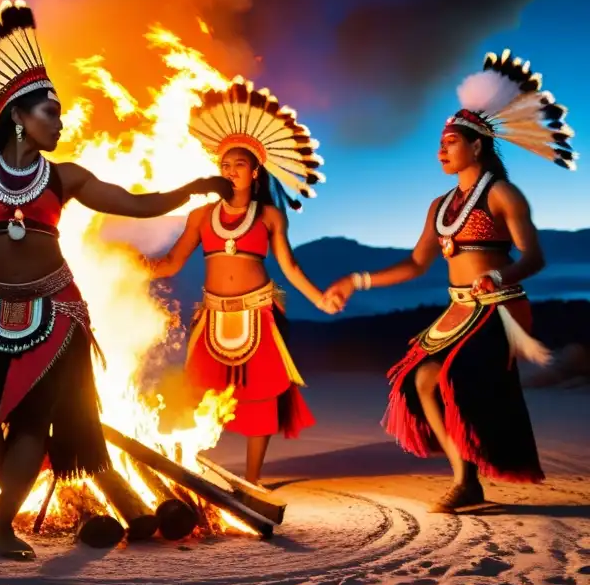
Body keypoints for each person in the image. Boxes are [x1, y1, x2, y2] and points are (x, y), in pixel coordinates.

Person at [0, 0, 232, 559]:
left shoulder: (66, 176)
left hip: (57, 316)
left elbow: (135, 202)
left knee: (32, 424)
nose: (61, 121)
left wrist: (189, 190)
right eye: (51, 112)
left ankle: (5, 523)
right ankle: (20, 492)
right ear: (17, 117)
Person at [324, 49, 575, 512]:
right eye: (440, 143)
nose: (441, 149)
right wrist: (356, 281)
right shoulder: (439, 206)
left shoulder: (502, 194)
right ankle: (466, 479)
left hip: (500, 308)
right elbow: (417, 264)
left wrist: (499, 275)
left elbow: (535, 257)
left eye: (451, 142)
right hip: (457, 310)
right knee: (421, 380)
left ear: (477, 146)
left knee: (456, 376)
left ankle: (469, 477)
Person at [148, 79, 338, 484]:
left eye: (239, 165)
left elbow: (289, 266)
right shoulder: (199, 216)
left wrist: (319, 299)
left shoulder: (270, 216)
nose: (230, 172)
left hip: (259, 314)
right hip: (212, 316)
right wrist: (134, 265)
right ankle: (183, 470)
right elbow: (172, 262)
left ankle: (252, 480)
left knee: (262, 398)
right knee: (193, 391)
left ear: (255, 171)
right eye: (225, 166)